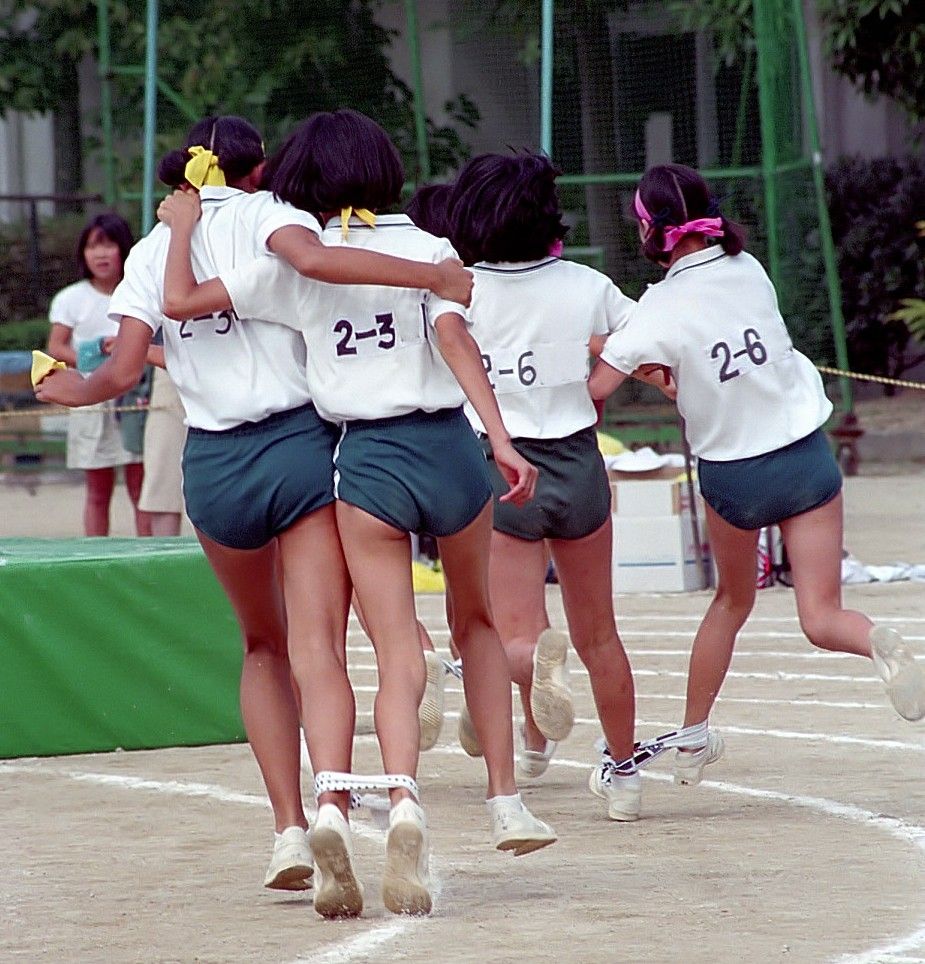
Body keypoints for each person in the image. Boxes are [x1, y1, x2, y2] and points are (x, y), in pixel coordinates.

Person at [35, 114, 475, 907]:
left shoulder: (149, 250)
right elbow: (318, 262)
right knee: (318, 646)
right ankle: (333, 799)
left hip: (214, 463)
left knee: (261, 647)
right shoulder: (275, 213)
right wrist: (434, 276)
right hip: (299, 449)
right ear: (259, 166)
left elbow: (116, 376)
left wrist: (58, 387)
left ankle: (287, 829)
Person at [157, 108, 558, 920]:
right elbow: (456, 343)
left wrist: (181, 231)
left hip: (366, 461)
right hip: (447, 449)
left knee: (392, 644)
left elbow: (188, 303)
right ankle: (505, 800)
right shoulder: (431, 249)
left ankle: (386, 797)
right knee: (476, 621)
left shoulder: (295, 262)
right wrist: (501, 439)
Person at [589, 162, 925, 787]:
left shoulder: (656, 308)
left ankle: (694, 735)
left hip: (735, 475)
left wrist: (594, 352)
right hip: (805, 457)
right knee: (821, 615)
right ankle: (878, 638)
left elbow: (598, 388)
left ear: (652, 230)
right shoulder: (748, 267)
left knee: (731, 601)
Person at [447, 151, 651, 821]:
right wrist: (601, 380)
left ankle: (537, 666)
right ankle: (624, 775)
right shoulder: (586, 284)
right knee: (601, 637)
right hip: (579, 464)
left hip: (500, 465)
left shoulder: (462, 289)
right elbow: (647, 337)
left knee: (509, 635)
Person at [46, 213, 150, 537]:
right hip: (90, 398)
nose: (101, 254)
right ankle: (95, 555)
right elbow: (56, 346)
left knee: (141, 487)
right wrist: (93, 357)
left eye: (109, 245)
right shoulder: (70, 298)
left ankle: (148, 553)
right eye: (93, 246)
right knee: (98, 488)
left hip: (135, 397)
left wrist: (126, 359)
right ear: (83, 253)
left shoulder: (140, 292)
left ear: (124, 249)